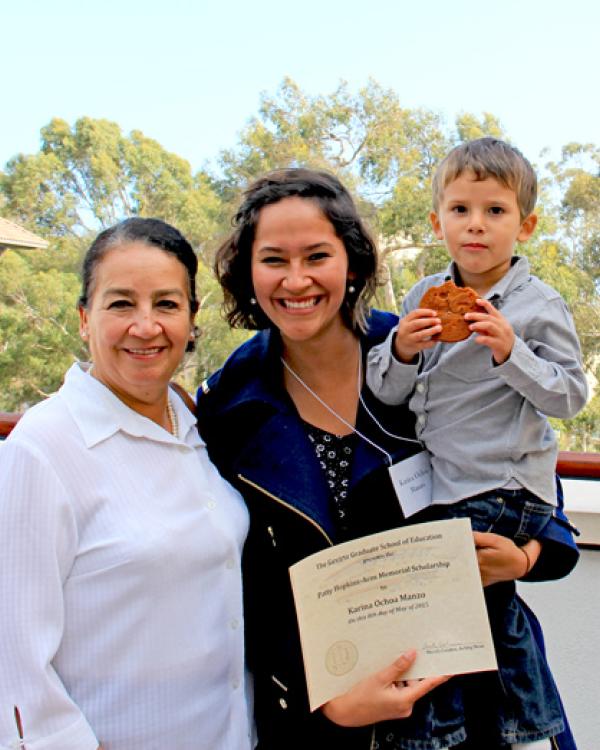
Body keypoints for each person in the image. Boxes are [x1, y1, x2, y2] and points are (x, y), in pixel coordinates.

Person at [196, 167, 580, 750]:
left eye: (317, 255)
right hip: (328, 719)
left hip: (473, 701)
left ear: (351, 262)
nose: (296, 280)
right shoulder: (229, 403)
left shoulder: (428, 343)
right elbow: (238, 587)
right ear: (248, 271)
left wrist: (527, 556)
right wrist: (322, 700)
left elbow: (527, 467)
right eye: (274, 259)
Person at [366, 138, 588, 748]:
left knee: (453, 605)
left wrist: (511, 352)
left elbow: (570, 396)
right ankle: (487, 725)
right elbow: (385, 391)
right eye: (461, 210)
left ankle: (510, 728)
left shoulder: (540, 307)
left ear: (527, 224)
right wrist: (405, 348)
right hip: (443, 486)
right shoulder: (418, 299)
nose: (476, 226)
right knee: (460, 611)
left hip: (505, 487)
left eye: (495, 211)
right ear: (437, 221)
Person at [0, 218, 254, 749]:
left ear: (190, 319)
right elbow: (14, 660)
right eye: (120, 304)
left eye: (166, 304)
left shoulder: (198, 425)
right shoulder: (42, 451)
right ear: (83, 318)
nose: (146, 326)